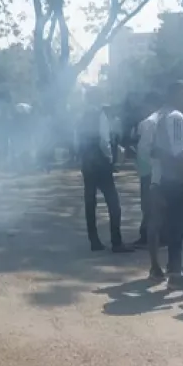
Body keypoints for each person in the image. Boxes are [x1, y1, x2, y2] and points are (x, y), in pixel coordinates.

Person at [152, 81, 183, 286]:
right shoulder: (175, 118)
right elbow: (179, 151)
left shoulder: (166, 117)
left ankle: (175, 274)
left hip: (172, 182)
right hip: (180, 184)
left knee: (176, 230)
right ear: (178, 94)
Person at [78, 102, 127, 253]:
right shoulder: (101, 116)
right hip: (101, 164)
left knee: (90, 203)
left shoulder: (83, 116)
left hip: (87, 163)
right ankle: (116, 241)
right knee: (113, 203)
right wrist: (111, 159)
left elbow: (77, 140)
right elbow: (104, 141)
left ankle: (94, 241)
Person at [134, 91, 165, 250]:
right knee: (159, 204)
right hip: (162, 170)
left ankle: (148, 235)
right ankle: (160, 234)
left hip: (149, 170)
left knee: (148, 204)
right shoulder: (166, 118)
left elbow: (144, 149)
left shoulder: (148, 122)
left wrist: (146, 168)